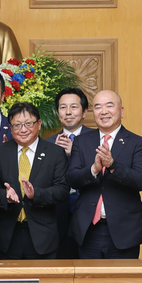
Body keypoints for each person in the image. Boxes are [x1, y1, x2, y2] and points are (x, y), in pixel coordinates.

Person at [67, 90, 142, 259]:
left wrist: (113, 166)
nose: (103, 111)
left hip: (125, 230)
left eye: (109, 106)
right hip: (88, 229)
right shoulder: (82, 141)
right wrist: (93, 170)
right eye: (98, 107)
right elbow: (72, 178)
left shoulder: (137, 143)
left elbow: (141, 180)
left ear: (121, 111)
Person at [0, 102, 68, 259]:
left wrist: (36, 194)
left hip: (42, 237)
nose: (23, 129)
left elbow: (62, 190)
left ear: (39, 124)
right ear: (10, 128)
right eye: (17, 125)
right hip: (7, 237)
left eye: (28, 124)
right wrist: (4, 195)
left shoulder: (55, 153)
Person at [46, 87, 96, 258]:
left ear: (84, 112)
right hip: (58, 218)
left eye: (74, 107)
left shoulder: (97, 138)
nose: (68, 112)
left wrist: (75, 153)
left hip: (91, 217)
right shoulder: (47, 144)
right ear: (57, 112)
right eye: (63, 107)